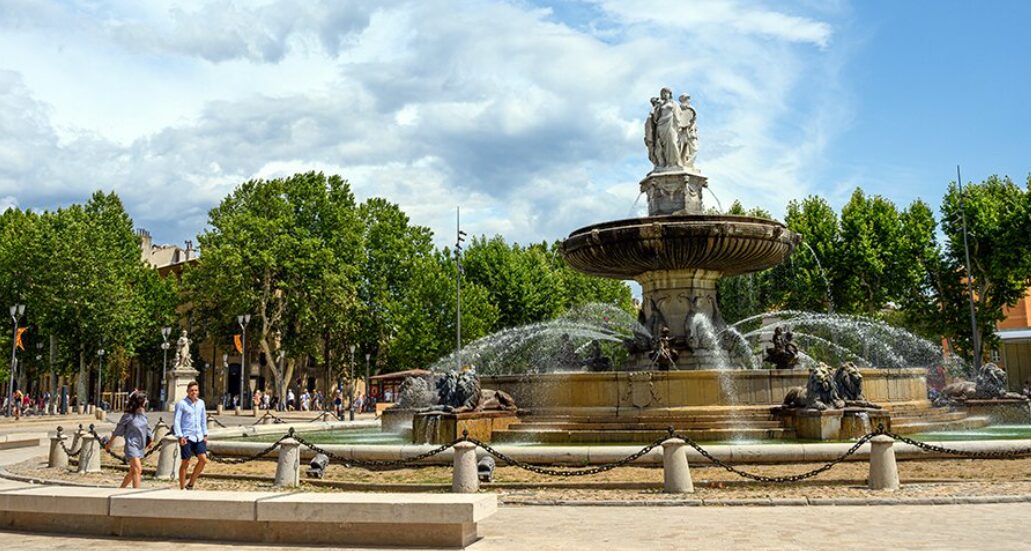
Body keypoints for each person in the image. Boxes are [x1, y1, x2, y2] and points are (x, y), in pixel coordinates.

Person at [105, 391, 152, 488]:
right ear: (140, 402)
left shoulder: (143, 414)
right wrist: (109, 443)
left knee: (133, 471)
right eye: (145, 400)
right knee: (138, 469)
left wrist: (150, 440)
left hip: (140, 445)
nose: (146, 401)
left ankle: (121, 489)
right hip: (131, 445)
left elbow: (147, 428)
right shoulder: (128, 416)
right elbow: (117, 430)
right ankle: (136, 493)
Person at [173, 381, 208, 490]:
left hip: (198, 436)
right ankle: (182, 487)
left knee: (203, 460)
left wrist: (205, 434)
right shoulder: (181, 404)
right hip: (186, 436)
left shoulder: (201, 403)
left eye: (196, 390)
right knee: (185, 462)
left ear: (198, 391)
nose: (194, 392)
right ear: (187, 391)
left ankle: (191, 483)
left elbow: (203, 419)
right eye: (192, 390)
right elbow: (177, 421)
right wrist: (180, 436)